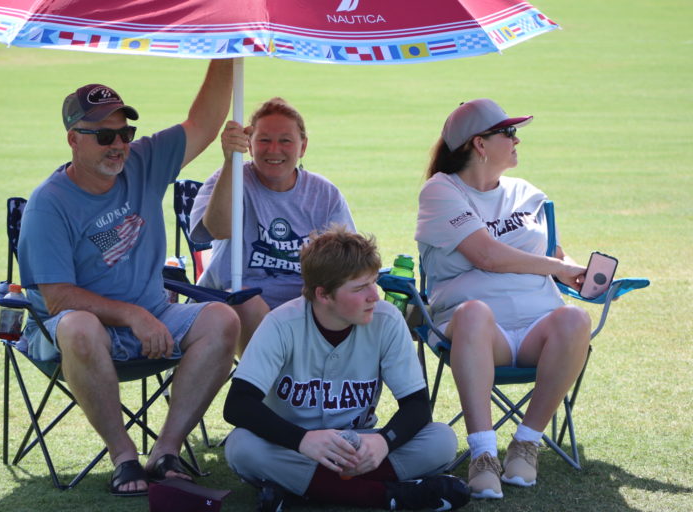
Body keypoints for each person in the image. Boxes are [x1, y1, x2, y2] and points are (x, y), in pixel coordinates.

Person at [17, 60, 240, 497]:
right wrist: (133, 315)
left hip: (152, 320)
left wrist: (227, 49)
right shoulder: (49, 205)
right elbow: (59, 299)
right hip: (73, 337)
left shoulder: (144, 163)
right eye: (104, 136)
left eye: (125, 134)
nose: (118, 145)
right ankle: (123, 457)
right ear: (73, 141)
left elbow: (204, 122)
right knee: (80, 325)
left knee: (223, 320)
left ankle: (166, 452)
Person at [415, 99, 592, 499]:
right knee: (475, 313)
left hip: (536, 329)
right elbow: (487, 256)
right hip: (475, 334)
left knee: (575, 319)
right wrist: (557, 268)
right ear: (479, 144)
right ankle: (482, 453)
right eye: (508, 133)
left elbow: (556, 255)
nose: (517, 141)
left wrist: (579, 272)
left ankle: (526, 443)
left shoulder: (526, 192)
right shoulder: (441, 190)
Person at [223, 226, 470, 512]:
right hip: (292, 446)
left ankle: (300, 495)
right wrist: (302, 440)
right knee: (241, 446)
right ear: (323, 294)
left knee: (441, 439)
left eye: (373, 282)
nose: (374, 296)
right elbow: (238, 404)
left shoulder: (386, 320)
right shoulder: (281, 324)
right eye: (359, 288)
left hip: (358, 447)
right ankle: (391, 497)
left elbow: (416, 407)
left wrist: (383, 443)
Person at [189, 97, 356, 355]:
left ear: (303, 147)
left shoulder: (324, 194)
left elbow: (349, 264)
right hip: (230, 302)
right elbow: (218, 229)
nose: (274, 149)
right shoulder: (229, 180)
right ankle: (265, 390)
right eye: (264, 140)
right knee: (247, 302)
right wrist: (230, 162)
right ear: (250, 144)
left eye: (286, 140)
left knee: (365, 305)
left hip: (304, 305)